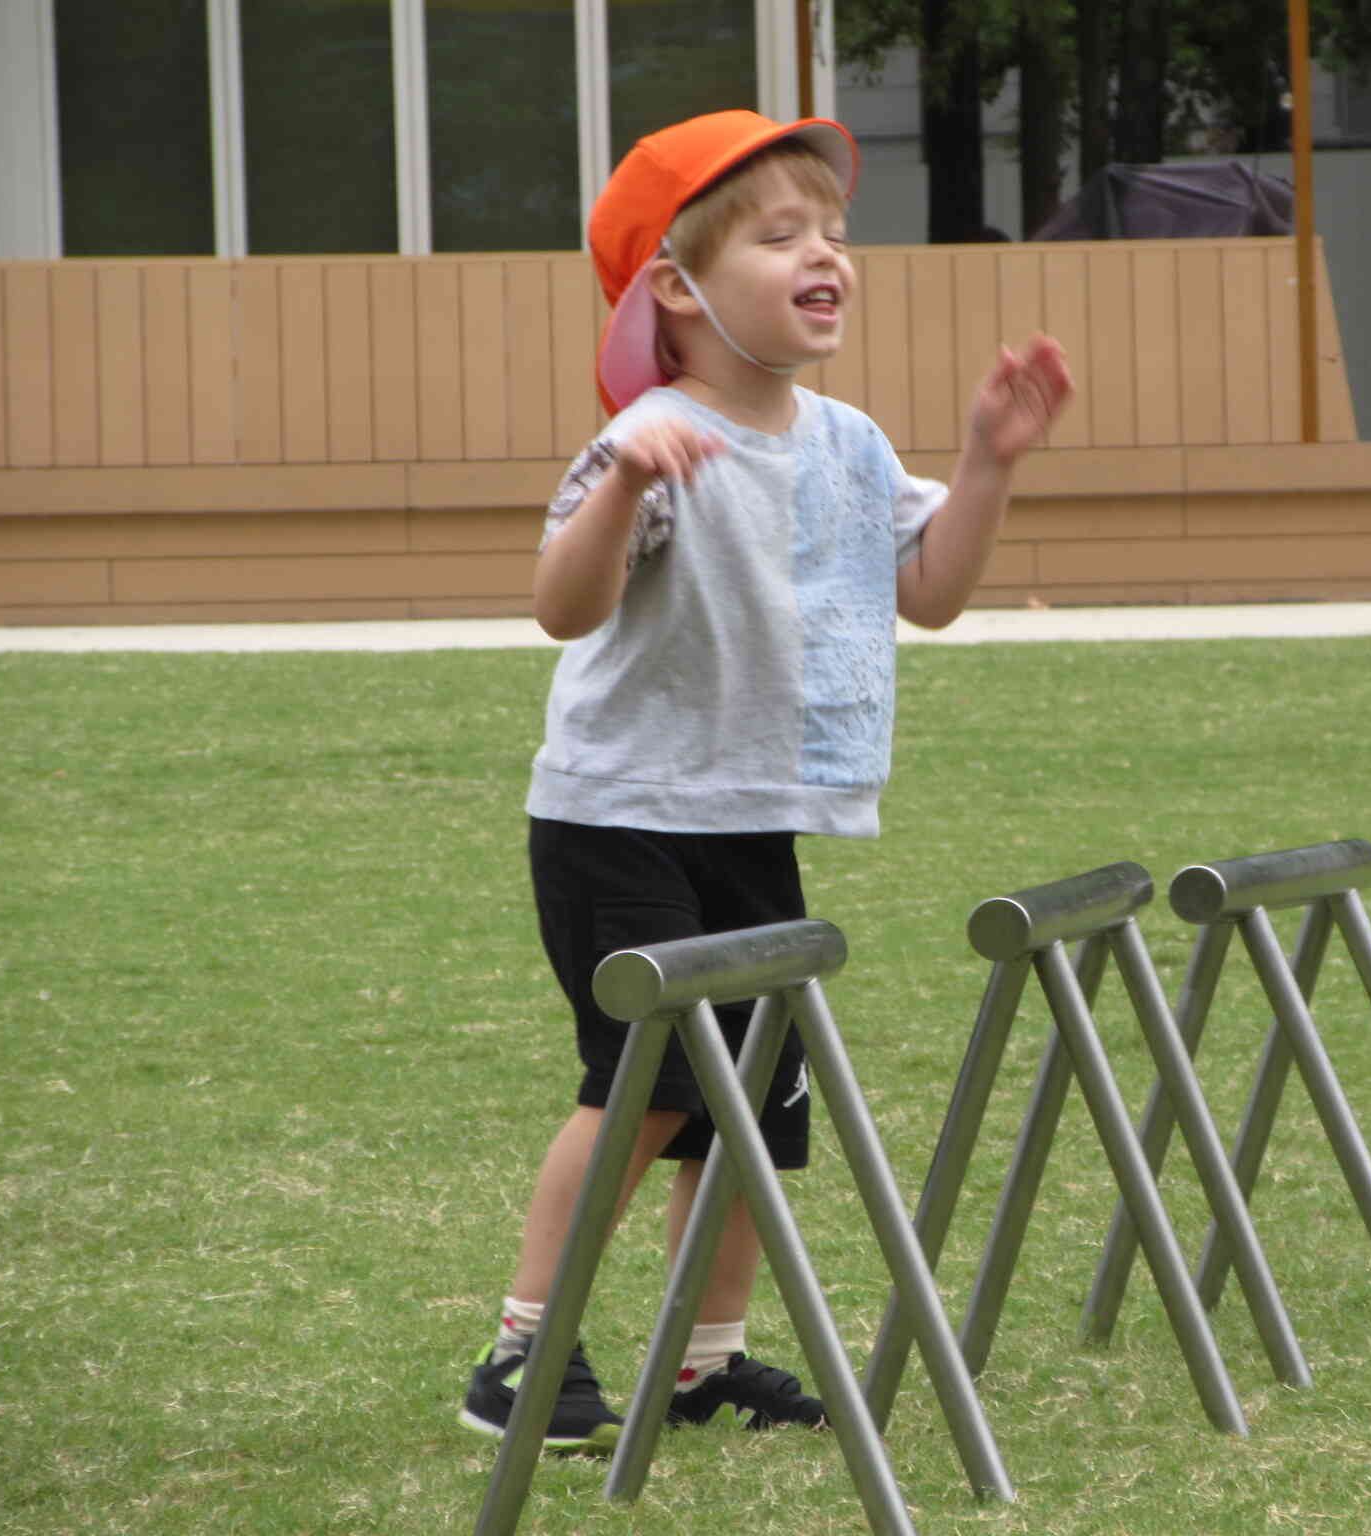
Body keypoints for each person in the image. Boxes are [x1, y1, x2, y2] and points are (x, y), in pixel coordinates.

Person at [460, 109, 1073, 1451]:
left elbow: (935, 595)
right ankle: (521, 1350)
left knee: (752, 1112)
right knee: (647, 1085)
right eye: (783, 234)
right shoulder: (656, 438)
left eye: (837, 235)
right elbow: (564, 608)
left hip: (750, 818)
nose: (828, 256)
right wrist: (621, 484)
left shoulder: (847, 445)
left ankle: (704, 1360)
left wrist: (986, 466)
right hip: (619, 816)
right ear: (675, 292)